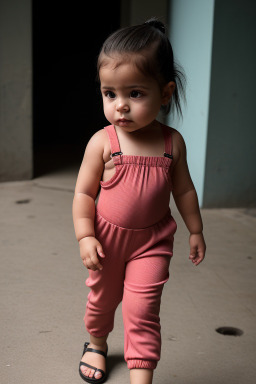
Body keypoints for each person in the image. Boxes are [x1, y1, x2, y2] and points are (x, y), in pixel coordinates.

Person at [72, 18, 206, 384]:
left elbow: (184, 190)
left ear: (164, 93)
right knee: (102, 301)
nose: (121, 107)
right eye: (109, 94)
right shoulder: (102, 143)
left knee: (142, 309)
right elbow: (84, 193)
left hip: (152, 241)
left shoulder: (171, 143)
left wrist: (195, 228)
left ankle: (141, 375)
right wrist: (86, 236)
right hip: (107, 240)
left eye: (135, 94)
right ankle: (97, 345)